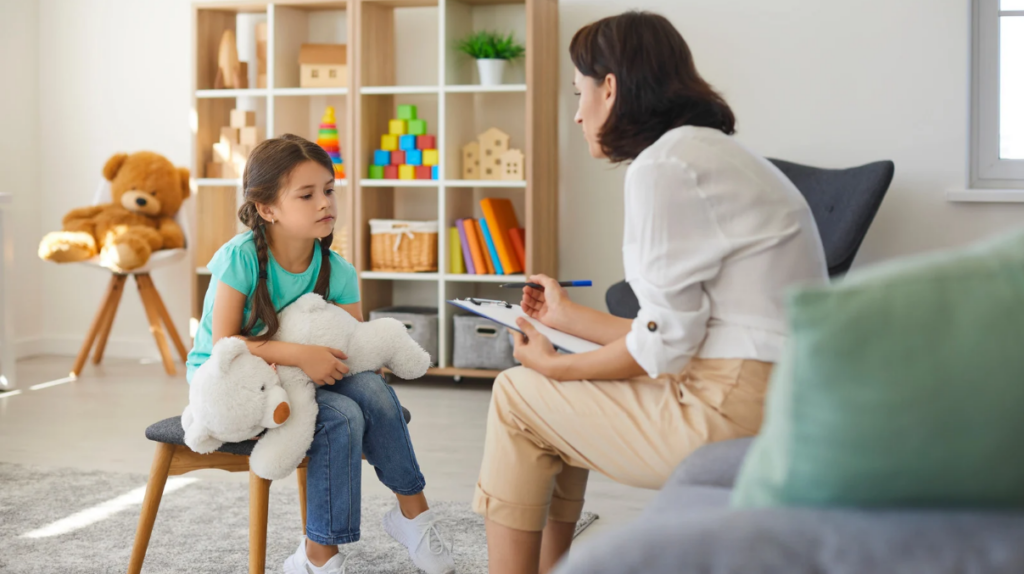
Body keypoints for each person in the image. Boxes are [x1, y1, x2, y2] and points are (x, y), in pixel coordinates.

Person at [472, 11, 828, 574]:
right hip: (779, 398)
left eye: (580, 92)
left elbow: (662, 351)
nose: (577, 111)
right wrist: (566, 317)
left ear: (610, 87)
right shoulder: (710, 154)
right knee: (547, 401)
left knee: (520, 394)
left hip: (728, 409)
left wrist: (558, 367)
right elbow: (678, 332)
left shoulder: (664, 167)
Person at [185, 134, 455, 574]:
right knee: (342, 417)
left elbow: (354, 348)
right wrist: (300, 354)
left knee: (368, 386)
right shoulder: (240, 260)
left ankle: (414, 517)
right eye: (306, 194)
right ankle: (319, 557)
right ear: (267, 208)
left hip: (301, 380)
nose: (324, 202)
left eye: (328, 189)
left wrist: (315, 361)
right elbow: (224, 346)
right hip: (232, 385)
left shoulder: (339, 271)